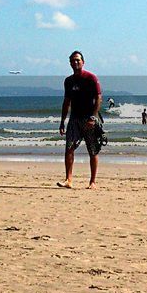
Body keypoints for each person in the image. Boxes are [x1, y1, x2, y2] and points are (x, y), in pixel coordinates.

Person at [58, 50, 103, 189]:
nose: (75, 62)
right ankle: (68, 180)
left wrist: (93, 117)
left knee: (92, 150)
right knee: (69, 148)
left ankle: (92, 182)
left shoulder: (91, 78)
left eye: (78, 60)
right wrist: (62, 121)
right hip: (74, 119)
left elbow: (99, 98)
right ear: (70, 63)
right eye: (73, 60)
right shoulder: (69, 81)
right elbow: (67, 102)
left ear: (83, 62)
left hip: (89, 118)